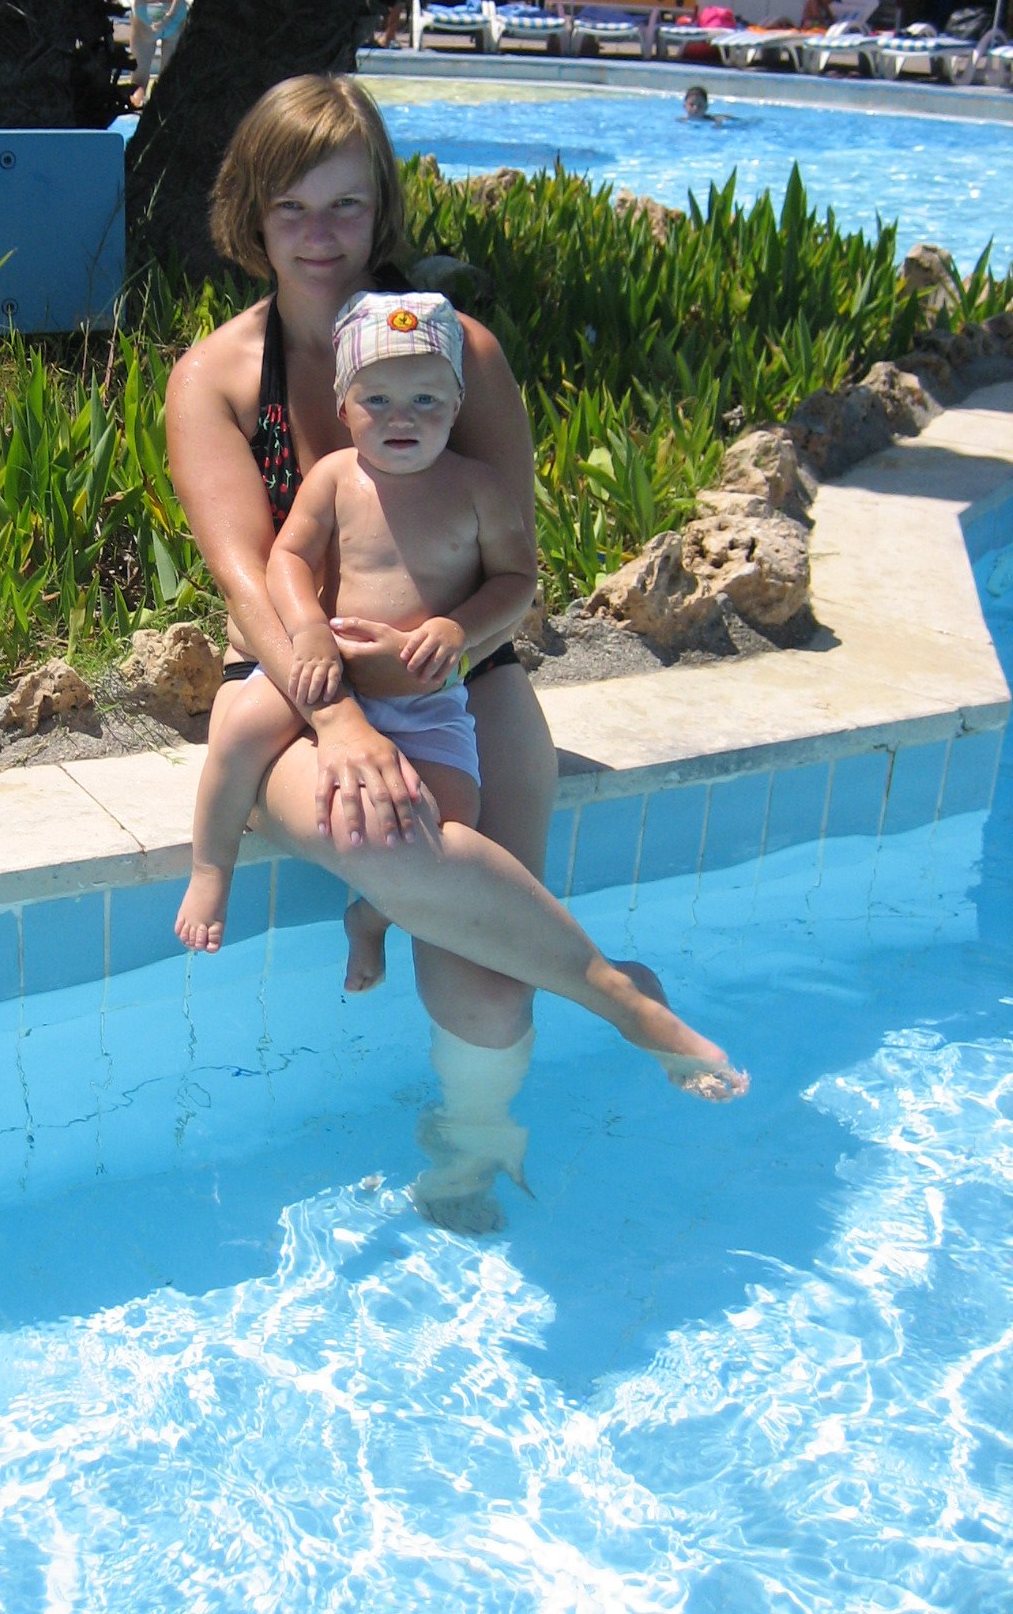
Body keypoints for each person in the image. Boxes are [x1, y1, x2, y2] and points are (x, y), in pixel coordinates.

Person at [164, 76, 746, 1219]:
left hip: (460, 672)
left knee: (485, 976)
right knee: (371, 824)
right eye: (292, 208)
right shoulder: (217, 379)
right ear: (250, 214)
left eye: (346, 204)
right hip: (291, 680)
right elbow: (248, 580)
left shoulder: (462, 355)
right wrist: (336, 716)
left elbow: (512, 570)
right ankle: (617, 992)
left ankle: (473, 1152)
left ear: (381, 206)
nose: (321, 235)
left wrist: (450, 644)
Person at [176, 289, 531, 977]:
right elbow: (287, 558)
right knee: (242, 729)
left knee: (454, 816)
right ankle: (211, 868)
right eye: (378, 400)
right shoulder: (337, 479)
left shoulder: (478, 489)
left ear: (457, 405)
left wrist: (458, 628)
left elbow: (517, 580)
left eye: (426, 400)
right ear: (345, 407)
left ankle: (372, 916)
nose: (403, 417)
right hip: (329, 671)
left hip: (422, 693)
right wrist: (307, 629)